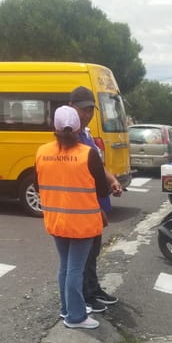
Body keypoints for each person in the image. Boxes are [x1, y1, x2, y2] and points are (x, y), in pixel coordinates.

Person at [35, 105, 110, 330]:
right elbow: (102, 190)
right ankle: (76, 317)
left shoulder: (42, 152)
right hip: (82, 224)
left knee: (65, 267)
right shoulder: (87, 154)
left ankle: (66, 308)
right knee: (75, 269)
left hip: (56, 221)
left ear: (54, 128)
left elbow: (39, 185)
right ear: (78, 128)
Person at [68, 85, 122, 314]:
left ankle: (93, 288)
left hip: (95, 204)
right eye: (84, 110)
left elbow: (97, 165)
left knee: (93, 252)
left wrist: (112, 180)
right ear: (71, 107)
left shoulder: (86, 134)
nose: (87, 114)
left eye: (91, 110)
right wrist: (96, 209)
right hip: (86, 208)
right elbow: (78, 181)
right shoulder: (71, 138)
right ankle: (86, 296)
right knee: (84, 256)